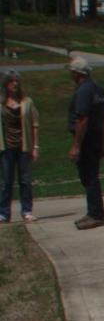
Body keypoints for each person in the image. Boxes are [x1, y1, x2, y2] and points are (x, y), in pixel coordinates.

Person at [67, 56, 104, 230]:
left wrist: (76, 145)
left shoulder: (84, 91)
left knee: (89, 176)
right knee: (91, 176)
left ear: (77, 73)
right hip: (97, 137)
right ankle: (93, 211)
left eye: (71, 72)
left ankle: (96, 214)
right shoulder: (99, 90)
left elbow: (82, 119)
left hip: (87, 140)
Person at [0, 70, 40, 224]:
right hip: (6, 147)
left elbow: (35, 124)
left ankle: (27, 211)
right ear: (6, 84)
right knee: (6, 182)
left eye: (17, 81)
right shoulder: (1, 103)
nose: (15, 84)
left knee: (25, 180)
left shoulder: (27, 102)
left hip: (24, 147)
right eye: (11, 81)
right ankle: (3, 213)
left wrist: (35, 146)